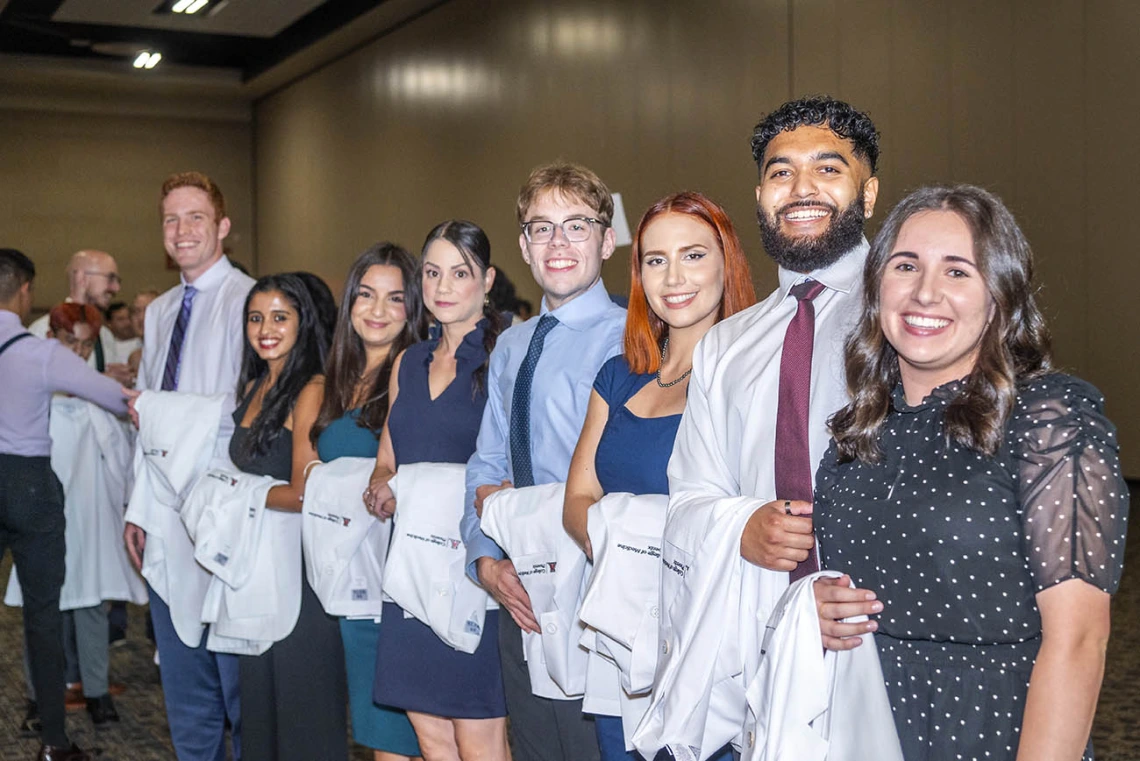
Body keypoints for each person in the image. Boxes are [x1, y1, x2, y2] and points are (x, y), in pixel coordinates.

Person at [813, 185, 1128, 761]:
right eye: (905, 266)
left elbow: (1080, 637)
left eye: (958, 272)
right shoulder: (853, 432)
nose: (925, 292)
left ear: (999, 295)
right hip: (860, 724)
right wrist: (816, 611)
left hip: (992, 726)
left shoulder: (1048, 417)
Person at [646, 96, 881, 753]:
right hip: (761, 631)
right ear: (759, 195)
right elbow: (688, 499)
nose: (801, 188)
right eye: (781, 173)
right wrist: (743, 527)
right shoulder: (727, 345)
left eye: (827, 169)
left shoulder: (904, 320)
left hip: (879, 639)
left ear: (868, 193)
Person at [563, 192, 757, 759]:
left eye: (693, 255)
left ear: (727, 263)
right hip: (619, 625)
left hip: (706, 638)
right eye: (655, 259)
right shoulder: (620, 374)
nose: (673, 277)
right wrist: (624, 551)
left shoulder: (752, 373)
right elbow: (579, 495)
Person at [464, 161, 627, 761]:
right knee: (533, 746)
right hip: (519, 584)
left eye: (576, 226)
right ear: (525, 248)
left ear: (607, 242)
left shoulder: (631, 339)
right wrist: (484, 561)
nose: (558, 243)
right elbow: (485, 462)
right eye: (541, 228)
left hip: (593, 582)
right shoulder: (510, 344)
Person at [366, 221, 511, 760]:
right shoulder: (409, 360)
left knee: (478, 734)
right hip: (411, 567)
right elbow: (387, 459)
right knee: (429, 734)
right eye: (432, 272)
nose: (443, 286)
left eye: (460, 272)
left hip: (471, 563)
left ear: (487, 279)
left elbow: (523, 464)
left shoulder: (505, 356)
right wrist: (382, 487)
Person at [123, 171, 255, 761]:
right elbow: (145, 421)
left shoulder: (251, 302)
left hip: (225, 510)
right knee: (183, 676)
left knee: (237, 681)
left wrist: (158, 413)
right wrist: (138, 507)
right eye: (171, 219)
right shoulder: (160, 311)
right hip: (166, 511)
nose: (182, 230)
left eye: (195, 217)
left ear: (222, 226)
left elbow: (243, 414)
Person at [0, 247, 131, 761]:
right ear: (26, 290)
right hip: (29, 483)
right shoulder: (40, 351)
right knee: (42, 615)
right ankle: (54, 742)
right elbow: (115, 399)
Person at [307, 243, 426, 761]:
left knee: (410, 735)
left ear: (414, 307)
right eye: (365, 295)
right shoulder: (335, 381)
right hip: (348, 577)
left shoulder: (419, 375)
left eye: (395, 298)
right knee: (378, 733)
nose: (377, 311)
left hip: (398, 581)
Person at [228, 273, 349, 761]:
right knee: (259, 717)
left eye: (280, 317)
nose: (265, 328)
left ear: (304, 323)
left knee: (305, 722)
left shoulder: (311, 388)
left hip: (301, 581)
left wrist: (239, 493)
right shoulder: (259, 382)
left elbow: (304, 492)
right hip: (259, 569)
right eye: (256, 317)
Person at [27, 250, 132, 385]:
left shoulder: (105, 336)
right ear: (81, 278)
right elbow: (35, 389)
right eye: (110, 278)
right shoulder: (42, 331)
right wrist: (99, 383)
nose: (116, 288)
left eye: (118, 281)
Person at [103, 301, 141, 365]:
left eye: (129, 317)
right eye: (121, 319)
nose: (127, 323)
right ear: (109, 324)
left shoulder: (145, 342)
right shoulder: (106, 348)